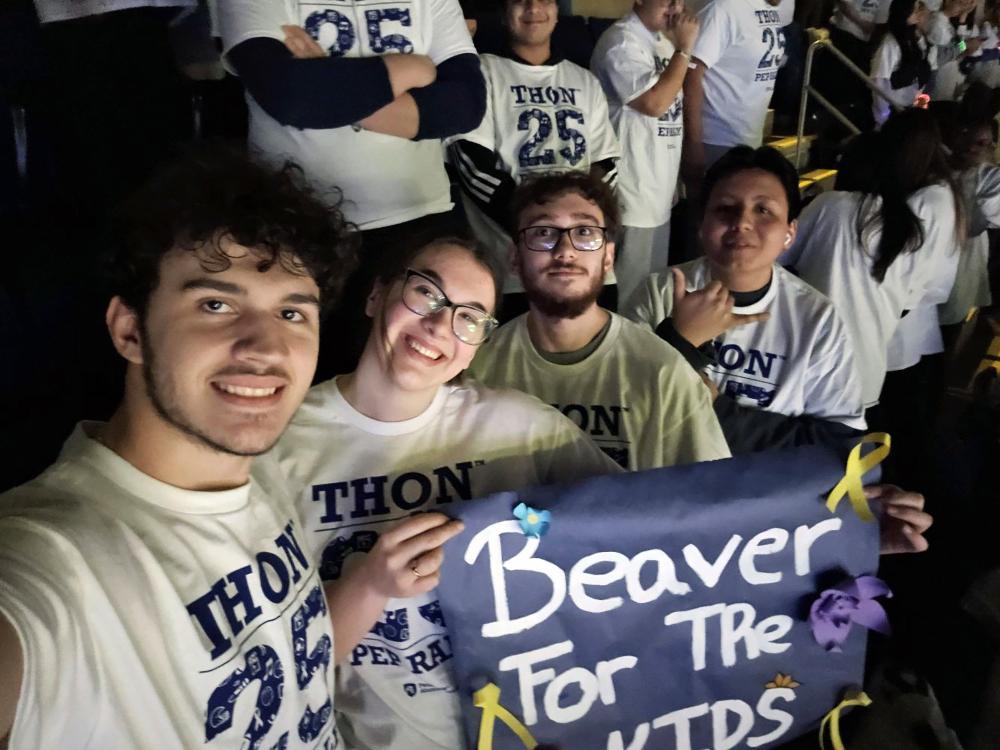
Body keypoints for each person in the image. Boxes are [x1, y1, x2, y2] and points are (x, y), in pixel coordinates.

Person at [0, 150, 462, 749]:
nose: (265, 347)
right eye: (216, 304)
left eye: (291, 312)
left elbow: (295, 666)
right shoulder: (56, 558)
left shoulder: (260, 470)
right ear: (129, 330)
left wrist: (372, 585)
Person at [271, 235, 618, 749]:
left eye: (469, 317)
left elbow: (638, 530)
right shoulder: (280, 443)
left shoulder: (524, 429)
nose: (439, 325)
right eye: (426, 294)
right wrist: (369, 585)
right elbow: (280, 672)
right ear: (377, 295)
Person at [467, 171, 731, 470]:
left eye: (584, 232)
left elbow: (708, 489)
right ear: (514, 258)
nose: (565, 251)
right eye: (543, 232)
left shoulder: (666, 373)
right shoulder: (479, 368)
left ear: (608, 258)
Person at [622, 146, 867, 455]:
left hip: (759, 482)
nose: (742, 222)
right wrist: (680, 342)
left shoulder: (816, 318)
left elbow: (837, 441)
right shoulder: (658, 292)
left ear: (790, 232)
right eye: (725, 208)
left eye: (763, 210)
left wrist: (716, 409)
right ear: (702, 225)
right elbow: (619, 406)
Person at [780, 109, 962, 411]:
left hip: (813, 365)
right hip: (866, 372)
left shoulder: (831, 205)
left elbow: (777, 254)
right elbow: (909, 302)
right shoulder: (907, 223)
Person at [449, 0, 620, 296]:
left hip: (585, 265)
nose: (533, 8)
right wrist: (536, 227)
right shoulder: (480, 73)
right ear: (504, 13)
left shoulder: (585, 80)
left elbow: (606, 164)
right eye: (521, 0)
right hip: (512, 267)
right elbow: (472, 166)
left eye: (545, 0)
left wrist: (577, 225)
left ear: (557, 12)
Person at [590, 0, 701, 303]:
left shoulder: (663, 42)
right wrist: (684, 50)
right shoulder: (621, 41)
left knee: (651, 292)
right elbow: (654, 103)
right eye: (667, 0)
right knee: (628, 296)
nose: (675, 7)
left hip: (658, 192)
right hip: (632, 192)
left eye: (680, 0)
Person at [681, 0, 793, 189]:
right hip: (715, 139)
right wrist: (693, 143)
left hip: (748, 139)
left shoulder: (768, 8)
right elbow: (690, 73)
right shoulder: (724, 9)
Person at [870, 0, 938, 126]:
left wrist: (919, 109)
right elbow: (879, 82)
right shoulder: (891, 43)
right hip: (893, 110)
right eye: (916, 10)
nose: (921, 14)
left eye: (922, 11)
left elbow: (923, 82)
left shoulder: (926, 44)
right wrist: (883, 117)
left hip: (911, 107)